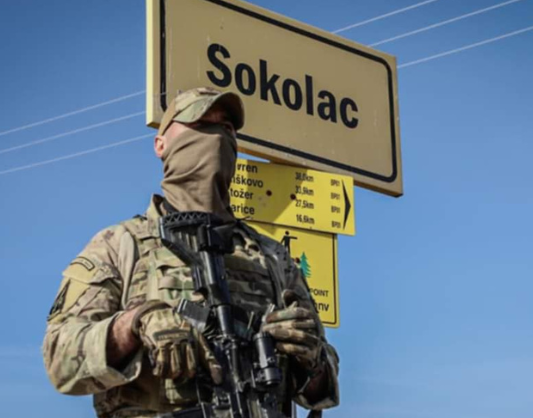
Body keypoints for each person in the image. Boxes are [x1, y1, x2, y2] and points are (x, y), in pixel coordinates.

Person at [42, 87, 340, 418]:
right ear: (160, 144)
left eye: (227, 128)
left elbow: (323, 388)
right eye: (200, 124)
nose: (216, 137)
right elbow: (59, 358)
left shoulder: (273, 258)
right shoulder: (120, 244)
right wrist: (134, 323)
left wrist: (311, 359)